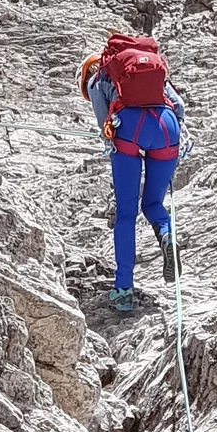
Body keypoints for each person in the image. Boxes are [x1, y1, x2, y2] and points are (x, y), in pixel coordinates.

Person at [79, 33, 184, 312]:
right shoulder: (152, 70)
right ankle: (166, 235)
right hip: (167, 127)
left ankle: (123, 291)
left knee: (127, 212)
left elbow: (107, 129)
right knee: (153, 203)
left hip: (129, 128)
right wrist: (174, 136)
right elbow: (179, 106)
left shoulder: (99, 76)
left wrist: (111, 142)